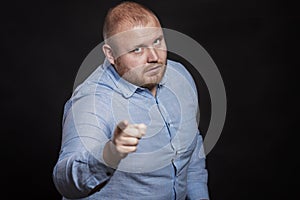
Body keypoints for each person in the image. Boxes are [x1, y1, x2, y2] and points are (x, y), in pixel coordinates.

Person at [53, 1, 209, 200]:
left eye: (157, 41)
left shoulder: (180, 78)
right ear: (111, 54)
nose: (154, 57)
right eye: (137, 50)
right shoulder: (92, 101)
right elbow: (65, 183)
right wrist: (109, 155)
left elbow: (193, 149)